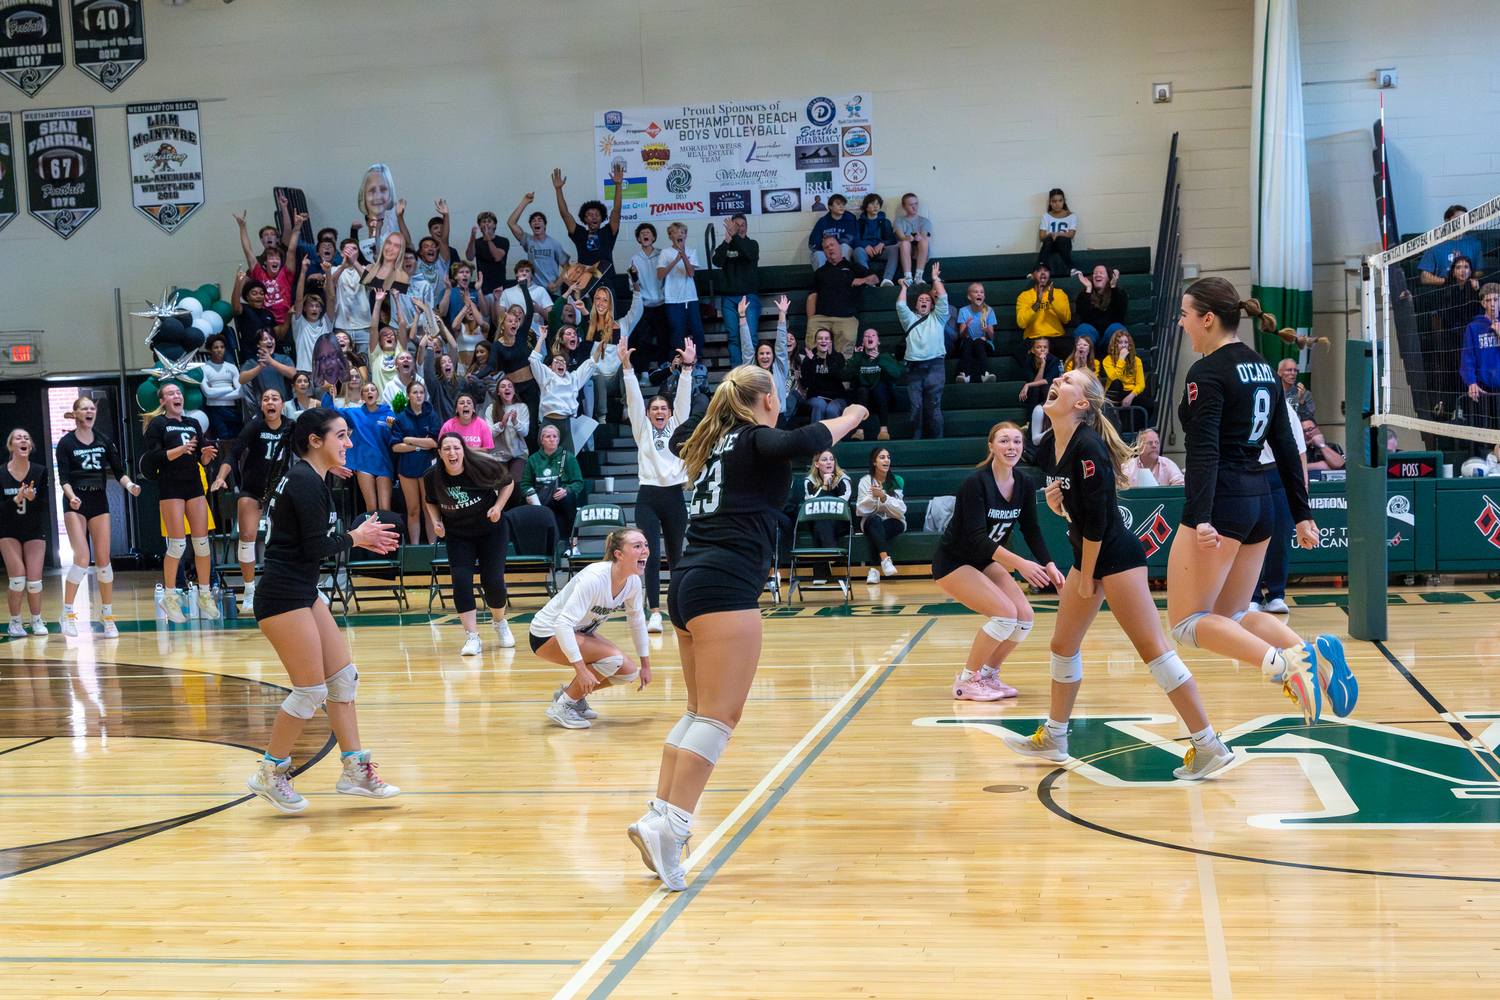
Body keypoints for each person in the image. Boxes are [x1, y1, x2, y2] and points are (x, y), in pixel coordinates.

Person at [629, 368, 866, 891]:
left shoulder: (713, 440)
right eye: (775, 398)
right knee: (718, 718)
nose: (779, 407)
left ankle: (660, 814)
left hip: (687, 580)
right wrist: (852, 414)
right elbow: (805, 439)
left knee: (698, 712)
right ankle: (672, 825)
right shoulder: (757, 439)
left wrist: (723, 397)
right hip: (725, 582)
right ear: (763, 401)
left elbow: (683, 428)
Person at [1005, 368, 1235, 780]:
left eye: (1069, 380)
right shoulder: (1048, 445)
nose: (1058, 379)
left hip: (1115, 557)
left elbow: (1096, 522)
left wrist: (1086, 576)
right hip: (1089, 553)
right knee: (1062, 645)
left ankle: (1208, 744)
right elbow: (1075, 511)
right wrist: (1058, 506)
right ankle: (1056, 736)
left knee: (1156, 651)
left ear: (1081, 404)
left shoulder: (1088, 445)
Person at [1166, 277, 1357, 729]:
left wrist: (1204, 516)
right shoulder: (1263, 369)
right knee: (1233, 614)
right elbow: (1288, 447)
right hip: (1260, 501)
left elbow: (1205, 450)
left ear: (1208, 319)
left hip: (1224, 503)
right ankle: (1312, 657)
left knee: (1186, 623)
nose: (1181, 323)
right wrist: (1302, 514)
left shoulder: (1208, 372)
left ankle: (1289, 668)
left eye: (1185, 314)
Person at [244, 407, 403, 813]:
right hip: (282, 596)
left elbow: (313, 541)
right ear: (316, 441)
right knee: (310, 690)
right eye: (342, 436)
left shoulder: (310, 478)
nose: (349, 444)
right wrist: (357, 536)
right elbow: (317, 547)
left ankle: (353, 770)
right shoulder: (305, 482)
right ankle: (269, 773)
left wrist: (356, 536)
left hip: (302, 590)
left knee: (342, 680)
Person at [937, 422, 1064, 701]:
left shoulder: (1025, 482)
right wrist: (1021, 563)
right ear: (991, 447)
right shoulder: (975, 483)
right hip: (954, 561)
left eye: (1017, 441)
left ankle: (988, 674)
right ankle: (966, 681)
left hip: (983, 560)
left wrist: (1049, 563)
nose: (1012, 447)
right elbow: (977, 539)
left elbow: (1030, 528)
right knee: (1005, 614)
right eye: (1004, 441)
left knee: (1025, 617)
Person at [530, 529, 653, 729]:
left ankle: (571, 695)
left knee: (628, 672)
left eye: (645, 544)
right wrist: (580, 669)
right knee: (612, 660)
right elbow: (563, 624)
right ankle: (563, 706)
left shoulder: (632, 582)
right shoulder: (594, 577)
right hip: (547, 633)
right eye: (637, 546)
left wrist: (645, 665)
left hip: (577, 632)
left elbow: (637, 621)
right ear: (618, 554)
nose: (645, 550)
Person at [620, 333, 694, 634]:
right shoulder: (642, 429)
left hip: (674, 496)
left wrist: (687, 369)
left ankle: (677, 610)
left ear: (670, 413)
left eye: (664, 408)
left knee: (677, 555)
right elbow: (634, 398)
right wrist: (627, 368)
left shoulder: (678, 425)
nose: (660, 412)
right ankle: (654, 612)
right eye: (655, 409)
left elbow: (684, 400)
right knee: (646, 556)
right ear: (648, 414)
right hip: (648, 497)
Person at [55, 399, 141, 638]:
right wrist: (71, 496)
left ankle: (107, 615)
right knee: (82, 558)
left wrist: (131, 485)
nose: (90, 411)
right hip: (75, 501)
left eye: (92, 408)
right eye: (84, 408)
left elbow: (118, 470)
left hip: (98, 500)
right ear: (76, 413)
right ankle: (68, 613)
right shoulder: (66, 443)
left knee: (104, 560)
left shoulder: (103, 440)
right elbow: (63, 477)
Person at [425, 432, 516, 655]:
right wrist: (437, 522)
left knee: (492, 580)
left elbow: (509, 483)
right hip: (459, 535)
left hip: (491, 531)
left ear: (463, 450)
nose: (451, 452)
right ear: (440, 453)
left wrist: (498, 507)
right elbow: (431, 503)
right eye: (446, 449)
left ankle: (499, 622)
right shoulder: (431, 477)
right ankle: (472, 637)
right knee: (461, 581)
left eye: (456, 447)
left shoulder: (482, 466)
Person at [210, 388, 293, 615]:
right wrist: (220, 477)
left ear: (282, 405)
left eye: (275, 398)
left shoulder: (291, 426)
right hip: (253, 488)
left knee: (291, 536)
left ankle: (299, 586)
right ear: (262, 406)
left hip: (280, 487)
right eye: (265, 399)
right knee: (246, 537)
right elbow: (233, 453)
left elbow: (309, 452)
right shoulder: (255, 426)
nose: (270, 402)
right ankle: (249, 592)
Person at [141, 383, 220, 623]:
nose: (176, 396)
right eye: (170, 393)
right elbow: (154, 457)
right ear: (162, 400)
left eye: (178, 393)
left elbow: (198, 459)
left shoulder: (192, 423)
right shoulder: (158, 424)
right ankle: (170, 597)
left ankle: (204, 594)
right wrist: (179, 449)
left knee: (202, 544)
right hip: (171, 487)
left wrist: (205, 458)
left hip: (193, 486)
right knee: (177, 545)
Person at [1249, 402, 1308, 614]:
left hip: (1277, 473)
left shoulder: (1284, 408)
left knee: (1280, 535)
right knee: (1250, 537)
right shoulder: (1238, 398)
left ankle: (1276, 595)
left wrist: (1302, 488)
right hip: (1248, 471)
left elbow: (1299, 452)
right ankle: (1251, 596)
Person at [3, 429, 49, 637]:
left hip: (34, 529)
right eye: (18, 438)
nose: (23, 440)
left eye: (27, 438)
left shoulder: (39, 471)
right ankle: (14, 622)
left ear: (30, 446)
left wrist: (32, 498)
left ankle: (36, 620)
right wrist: (14, 500)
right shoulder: (1, 473)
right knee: (17, 580)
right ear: (10, 446)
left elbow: (46, 506)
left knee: (33, 582)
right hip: (8, 530)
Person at [897, 265, 949, 439]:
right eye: (920, 300)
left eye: (927, 299)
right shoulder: (909, 319)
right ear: (916, 305)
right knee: (915, 407)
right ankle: (916, 440)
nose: (924, 301)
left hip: (935, 364)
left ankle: (938, 441)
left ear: (932, 304)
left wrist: (935, 278)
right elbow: (900, 305)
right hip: (913, 367)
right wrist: (904, 286)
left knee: (934, 406)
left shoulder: (939, 317)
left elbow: (943, 296)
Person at [553, 164, 623, 290]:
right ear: (584, 218)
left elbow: (616, 211)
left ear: (602, 218)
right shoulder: (580, 234)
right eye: (590, 215)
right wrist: (558, 189)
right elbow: (565, 214)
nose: (594, 217)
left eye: (597, 215)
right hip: (584, 282)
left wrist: (618, 185)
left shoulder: (608, 232)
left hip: (606, 280)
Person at [806, 234, 876, 354]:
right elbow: (812, 297)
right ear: (824, 252)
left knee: (845, 356)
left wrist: (863, 280)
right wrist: (811, 320)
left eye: (832, 245)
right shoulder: (819, 272)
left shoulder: (853, 267)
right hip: (821, 317)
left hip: (846, 318)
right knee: (812, 353)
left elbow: (875, 278)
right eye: (826, 247)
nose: (830, 248)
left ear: (839, 247)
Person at [390, 380, 442, 543]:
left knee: (429, 509)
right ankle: (415, 548)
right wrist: (420, 445)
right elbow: (396, 447)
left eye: (421, 392)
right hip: (407, 468)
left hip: (428, 468)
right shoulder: (400, 418)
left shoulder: (432, 415)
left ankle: (432, 548)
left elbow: (434, 443)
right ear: (408, 396)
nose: (419, 395)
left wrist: (410, 440)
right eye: (415, 392)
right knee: (413, 510)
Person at [521, 425, 584, 548]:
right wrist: (529, 496)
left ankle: (570, 544)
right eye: (548, 436)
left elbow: (578, 483)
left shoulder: (568, 457)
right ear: (541, 440)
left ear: (558, 440)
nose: (552, 439)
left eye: (554, 436)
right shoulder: (533, 459)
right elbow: (525, 485)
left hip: (561, 498)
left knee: (568, 499)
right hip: (539, 498)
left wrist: (567, 490)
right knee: (524, 504)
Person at [712, 214, 761, 365]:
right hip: (728, 298)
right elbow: (717, 261)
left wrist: (735, 236)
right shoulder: (725, 245)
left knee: (750, 335)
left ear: (747, 228)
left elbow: (750, 255)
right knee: (733, 337)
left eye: (742, 225)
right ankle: (737, 372)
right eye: (736, 225)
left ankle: (751, 371)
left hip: (748, 297)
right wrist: (727, 240)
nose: (739, 228)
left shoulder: (752, 244)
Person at [856, 446, 907, 585]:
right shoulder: (865, 481)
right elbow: (861, 509)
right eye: (882, 457)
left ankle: (874, 569)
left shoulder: (897, 480)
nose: (887, 460)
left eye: (888, 457)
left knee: (876, 531)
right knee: (875, 521)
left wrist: (884, 497)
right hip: (871, 520)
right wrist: (874, 497)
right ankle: (885, 560)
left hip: (894, 521)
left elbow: (900, 510)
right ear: (874, 462)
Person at [345, 382, 397, 513]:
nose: (370, 392)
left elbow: (396, 439)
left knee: (385, 508)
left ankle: (387, 533)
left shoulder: (388, 414)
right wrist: (330, 393)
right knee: (371, 508)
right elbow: (332, 412)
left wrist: (392, 429)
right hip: (364, 465)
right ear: (362, 396)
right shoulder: (354, 413)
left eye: (373, 390)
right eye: (366, 391)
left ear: (377, 394)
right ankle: (373, 534)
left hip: (383, 464)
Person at [507, 191, 572, 293]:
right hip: (534, 290)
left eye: (539, 220)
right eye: (533, 220)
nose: (536, 222)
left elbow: (567, 267)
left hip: (552, 291)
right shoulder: (528, 240)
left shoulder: (554, 244)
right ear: (531, 226)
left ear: (544, 225)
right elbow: (511, 222)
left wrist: (557, 284)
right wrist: (525, 202)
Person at [1460, 283, 1500, 443]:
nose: (1492, 304)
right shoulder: (1474, 327)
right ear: (1483, 303)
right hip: (1484, 388)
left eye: (1496, 299)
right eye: (1488, 300)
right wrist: (1471, 382)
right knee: (1487, 435)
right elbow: (1468, 357)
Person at [658, 221, 704, 357]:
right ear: (670, 236)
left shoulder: (691, 251)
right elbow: (660, 275)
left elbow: (691, 273)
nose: (680, 235)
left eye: (682, 232)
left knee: (697, 332)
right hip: (672, 300)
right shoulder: (665, 253)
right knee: (677, 334)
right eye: (676, 232)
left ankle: (697, 362)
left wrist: (683, 255)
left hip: (690, 298)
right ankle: (676, 365)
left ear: (686, 236)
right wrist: (675, 259)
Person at [743, 296, 793, 419]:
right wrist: (742, 316)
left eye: (768, 353)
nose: (765, 356)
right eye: (761, 353)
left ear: (773, 355)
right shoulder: (751, 368)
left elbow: (781, 344)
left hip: (778, 415)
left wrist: (782, 313)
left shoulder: (779, 368)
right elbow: (746, 346)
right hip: (756, 417)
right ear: (757, 356)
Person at [630, 223, 671, 369]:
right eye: (642, 233)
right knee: (642, 340)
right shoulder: (634, 259)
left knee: (664, 339)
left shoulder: (663, 254)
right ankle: (644, 373)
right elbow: (633, 286)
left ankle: (664, 369)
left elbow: (669, 280)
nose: (645, 234)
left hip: (662, 304)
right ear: (638, 239)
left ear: (653, 237)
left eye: (648, 232)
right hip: (645, 306)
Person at [848, 328, 901, 441]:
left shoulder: (885, 357)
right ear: (863, 342)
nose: (870, 337)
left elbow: (896, 374)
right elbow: (846, 375)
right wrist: (857, 357)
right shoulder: (858, 357)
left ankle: (883, 430)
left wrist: (880, 359)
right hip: (862, 398)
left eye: (873, 335)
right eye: (867, 335)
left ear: (878, 341)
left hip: (883, 398)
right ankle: (859, 431)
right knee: (862, 390)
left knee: (880, 389)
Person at [1015, 263, 1071, 365]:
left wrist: (1052, 301)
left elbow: (1066, 318)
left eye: (1046, 270)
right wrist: (1036, 304)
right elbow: (1021, 323)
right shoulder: (1024, 296)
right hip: (1033, 338)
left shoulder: (1059, 293)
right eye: (1039, 270)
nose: (1043, 273)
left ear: (1049, 274)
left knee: (1071, 344)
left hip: (1056, 338)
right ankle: (1032, 380)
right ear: (1032, 275)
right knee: (1019, 349)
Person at [1417, 205, 1484, 286]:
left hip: (1468, 288)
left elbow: (1479, 271)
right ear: (1447, 220)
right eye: (1458, 218)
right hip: (1444, 289)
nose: (1462, 222)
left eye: (1465, 219)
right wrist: (1449, 282)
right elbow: (1425, 277)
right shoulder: (1434, 245)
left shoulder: (1474, 243)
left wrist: (1468, 281)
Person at [237, 329, 297, 417]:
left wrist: (271, 362)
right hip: (263, 407)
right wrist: (260, 366)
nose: (270, 341)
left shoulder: (283, 358)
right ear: (258, 344)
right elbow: (242, 380)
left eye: (271, 338)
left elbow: (294, 374)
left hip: (284, 405)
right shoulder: (252, 361)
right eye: (265, 339)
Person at [1100, 328, 1153, 421]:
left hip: (1130, 392)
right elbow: (1114, 378)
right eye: (1120, 342)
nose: (1124, 345)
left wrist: (1131, 396)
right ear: (1115, 345)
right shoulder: (1107, 360)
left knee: (1149, 404)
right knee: (1117, 383)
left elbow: (1140, 384)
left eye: (1126, 342)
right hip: (1115, 392)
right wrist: (1121, 360)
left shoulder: (1137, 361)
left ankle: (1140, 430)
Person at [199, 334, 244, 440]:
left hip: (232, 409)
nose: (220, 350)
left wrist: (215, 392)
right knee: (221, 440)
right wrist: (231, 388)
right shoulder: (203, 368)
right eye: (216, 347)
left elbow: (240, 393)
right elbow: (208, 393)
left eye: (222, 347)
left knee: (238, 439)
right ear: (209, 350)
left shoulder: (232, 367)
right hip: (214, 410)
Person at [491, 378, 530, 497]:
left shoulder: (522, 407)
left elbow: (525, 432)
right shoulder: (491, 408)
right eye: (503, 386)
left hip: (518, 454)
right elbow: (488, 433)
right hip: (498, 455)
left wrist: (515, 422)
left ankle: (515, 512)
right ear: (498, 392)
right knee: (501, 486)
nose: (507, 388)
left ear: (514, 391)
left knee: (517, 484)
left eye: (509, 386)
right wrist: (501, 424)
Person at [1072, 264, 1127, 348]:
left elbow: (1118, 312)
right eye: (1095, 273)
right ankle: (1083, 359)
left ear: (1108, 278)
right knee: (1083, 328)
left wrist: (1113, 288)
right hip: (1090, 338)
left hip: (1110, 338)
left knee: (1116, 328)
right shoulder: (1084, 295)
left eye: (1101, 273)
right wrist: (1088, 289)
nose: (1097, 274)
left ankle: (1120, 360)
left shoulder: (1119, 294)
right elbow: (1081, 312)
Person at [799, 328, 847, 422]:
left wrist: (830, 358)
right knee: (820, 405)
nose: (823, 341)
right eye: (820, 338)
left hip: (837, 398)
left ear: (831, 342)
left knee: (831, 410)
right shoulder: (809, 359)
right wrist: (811, 362)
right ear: (815, 342)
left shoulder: (838, 357)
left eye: (826, 338)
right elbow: (806, 384)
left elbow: (839, 378)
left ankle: (834, 436)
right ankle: (816, 436)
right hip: (816, 398)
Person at [953, 282, 998, 384]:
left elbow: (991, 337)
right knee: (968, 341)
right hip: (968, 345)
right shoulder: (964, 311)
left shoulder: (989, 311)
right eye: (976, 292)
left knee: (978, 341)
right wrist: (966, 328)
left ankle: (985, 374)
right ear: (969, 297)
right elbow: (962, 336)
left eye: (981, 292)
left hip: (984, 345)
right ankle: (964, 375)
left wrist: (987, 330)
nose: (979, 294)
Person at [1019, 337, 1064, 435]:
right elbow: (1036, 381)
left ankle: (1050, 421)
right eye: (1039, 347)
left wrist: (1027, 385)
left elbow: (1048, 381)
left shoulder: (1054, 360)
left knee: (1045, 388)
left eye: (1045, 347)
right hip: (1032, 394)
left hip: (1045, 390)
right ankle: (1028, 423)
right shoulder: (1028, 360)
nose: (1042, 349)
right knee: (1035, 388)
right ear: (1033, 350)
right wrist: (1041, 366)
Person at [853, 194, 899, 286]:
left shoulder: (885, 222)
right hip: (866, 251)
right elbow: (855, 239)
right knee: (857, 251)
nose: (875, 206)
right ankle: (867, 279)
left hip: (881, 250)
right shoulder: (859, 222)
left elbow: (892, 239)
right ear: (866, 206)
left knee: (895, 249)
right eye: (872, 204)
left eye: (878, 204)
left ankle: (887, 279)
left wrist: (882, 244)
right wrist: (865, 246)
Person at [807, 194, 860, 269]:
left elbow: (853, 240)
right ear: (830, 206)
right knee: (818, 255)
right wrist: (828, 249)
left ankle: (844, 276)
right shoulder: (823, 221)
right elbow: (813, 243)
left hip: (843, 251)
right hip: (826, 251)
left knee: (844, 247)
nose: (841, 206)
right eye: (838, 204)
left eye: (843, 204)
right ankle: (823, 279)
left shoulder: (850, 220)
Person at [1120, 427, 1185, 487]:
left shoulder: (1168, 464)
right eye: (1150, 443)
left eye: (1157, 442)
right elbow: (1120, 489)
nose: (1154, 446)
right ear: (1139, 446)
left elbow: (1180, 485)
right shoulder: (1128, 466)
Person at [1036, 188, 1076, 277]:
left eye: (1060, 201)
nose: (1057, 204)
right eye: (1054, 201)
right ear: (1050, 202)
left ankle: (1071, 268)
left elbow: (1071, 234)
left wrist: (1057, 234)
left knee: (1060, 239)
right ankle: (1038, 269)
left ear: (1064, 201)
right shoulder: (1046, 216)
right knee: (1049, 239)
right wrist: (1050, 234)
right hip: (1050, 246)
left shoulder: (1071, 216)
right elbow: (1042, 237)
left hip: (1065, 245)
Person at [467, 211, 510, 292]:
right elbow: (469, 257)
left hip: (499, 286)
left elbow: (497, 257)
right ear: (479, 226)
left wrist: (487, 238)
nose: (486, 224)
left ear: (494, 225)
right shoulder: (477, 242)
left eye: (489, 221)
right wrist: (473, 237)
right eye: (483, 222)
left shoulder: (503, 241)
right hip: (483, 286)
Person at [893, 192, 932, 283]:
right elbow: (901, 236)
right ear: (904, 206)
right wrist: (907, 238)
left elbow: (924, 236)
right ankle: (908, 277)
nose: (914, 207)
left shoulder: (924, 221)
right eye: (910, 205)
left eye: (916, 204)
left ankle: (918, 277)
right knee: (905, 243)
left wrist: (920, 237)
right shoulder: (899, 221)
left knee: (924, 242)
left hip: (918, 250)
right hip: (904, 250)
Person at [440, 390, 494, 454]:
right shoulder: (448, 426)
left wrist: (468, 448)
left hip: (477, 460)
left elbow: (488, 450)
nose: (465, 405)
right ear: (456, 409)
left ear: (473, 409)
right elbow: (442, 448)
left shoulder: (482, 424)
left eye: (469, 403)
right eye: (461, 403)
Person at [1278, 358, 1316, 422]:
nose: (1293, 373)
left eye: (1295, 370)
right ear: (1280, 373)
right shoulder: (1275, 394)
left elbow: (1309, 418)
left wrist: (1301, 401)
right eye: (1289, 370)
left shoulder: (1306, 394)